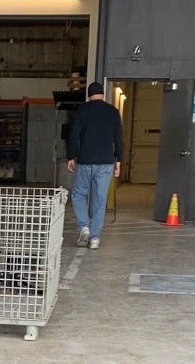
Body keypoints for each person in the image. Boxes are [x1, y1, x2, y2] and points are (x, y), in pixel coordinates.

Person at [67, 81, 122, 249]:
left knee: (78, 194)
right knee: (99, 199)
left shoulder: (82, 110)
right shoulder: (112, 111)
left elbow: (74, 134)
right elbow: (118, 137)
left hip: (85, 159)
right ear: (103, 94)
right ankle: (95, 238)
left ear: (89, 95)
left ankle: (84, 227)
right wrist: (118, 160)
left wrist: (71, 156)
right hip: (105, 162)